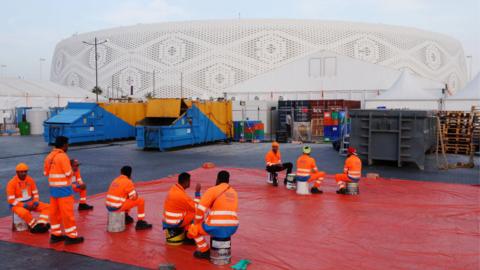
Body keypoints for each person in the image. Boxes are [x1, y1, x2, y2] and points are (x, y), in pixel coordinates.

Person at [187, 170, 238, 260]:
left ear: (217, 180)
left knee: (193, 229)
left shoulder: (212, 190)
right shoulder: (234, 193)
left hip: (215, 227)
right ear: (228, 180)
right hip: (232, 228)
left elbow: (200, 210)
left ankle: (205, 252)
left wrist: (196, 223)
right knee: (214, 227)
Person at [44, 136, 84, 244]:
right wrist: (71, 168)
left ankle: (55, 235)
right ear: (64, 145)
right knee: (67, 214)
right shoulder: (63, 157)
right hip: (64, 191)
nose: (68, 146)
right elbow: (68, 173)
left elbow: (46, 173)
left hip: (53, 190)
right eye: (67, 144)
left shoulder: (49, 156)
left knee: (54, 213)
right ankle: (71, 237)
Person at [6, 163, 50, 233]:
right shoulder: (11, 183)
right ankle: (34, 226)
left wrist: (36, 202)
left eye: (25, 171)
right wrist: (24, 205)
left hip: (30, 202)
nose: (24, 173)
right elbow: (11, 200)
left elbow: (35, 193)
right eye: (21, 172)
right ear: (17, 172)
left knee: (48, 207)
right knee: (25, 213)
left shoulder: (30, 180)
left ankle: (41, 223)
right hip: (17, 205)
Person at [105, 166, 153, 230]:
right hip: (117, 207)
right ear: (130, 173)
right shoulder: (128, 182)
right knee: (141, 201)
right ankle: (140, 222)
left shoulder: (115, 180)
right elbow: (134, 197)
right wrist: (135, 192)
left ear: (121, 172)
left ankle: (125, 216)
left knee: (126, 198)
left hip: (108, 206)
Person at [162, 172, 201, 245]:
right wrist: (197, 193)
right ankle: (189, 237)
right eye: (189, 181)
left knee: (188, 211)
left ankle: (186, 231)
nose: (190, 183)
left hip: (167, 220)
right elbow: (196, 208)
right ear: (186, 182)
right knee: (196, 214)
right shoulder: (182, 196)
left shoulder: (173, 189)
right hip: (175, 222)